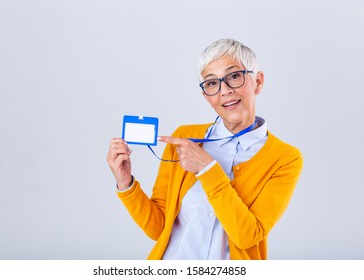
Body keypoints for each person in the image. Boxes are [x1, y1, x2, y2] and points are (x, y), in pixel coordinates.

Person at [106, 38, 303, 260]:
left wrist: (208, 169)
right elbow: (158, 228)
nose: (225, 90)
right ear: (206, 95)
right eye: (212, 83)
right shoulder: (183, 139)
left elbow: (248, 235)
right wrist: (126, 184)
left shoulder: (285, 158)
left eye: (234, 76)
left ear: (258, 82)